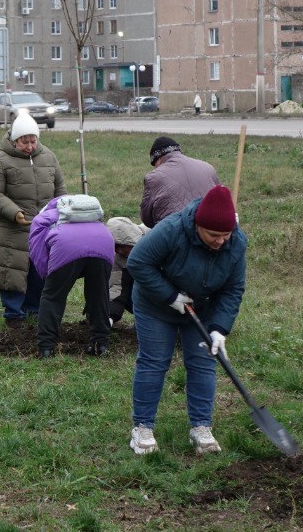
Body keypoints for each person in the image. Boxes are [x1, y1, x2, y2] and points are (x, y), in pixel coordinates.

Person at [127, 185, 246, 455]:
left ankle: (201, 427)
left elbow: (233, 288)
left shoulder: (236, 243)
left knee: (203, 362)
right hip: (156, 304)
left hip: (202, 307)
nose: (220, 241)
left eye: (225, 235)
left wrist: (219, 329)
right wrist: (171, 296)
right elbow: (137, 262)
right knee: (155, 361)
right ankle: (142, 428)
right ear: (198, 226)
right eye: (213, 235)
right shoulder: (172, 230)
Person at [0, 110, 66, 327]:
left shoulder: (48, 156)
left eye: (33, 140)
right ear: (14, 139)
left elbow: (60, 189)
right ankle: (13, 314)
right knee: (11, 268)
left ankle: (34, 309)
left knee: (39, 269)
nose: (29, 146)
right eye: (24, 141)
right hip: (10, 227)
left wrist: (61, 211)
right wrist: (14, 212)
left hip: (42, 226)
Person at [29, 195, 115, 356]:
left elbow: (38, 253)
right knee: (99, 295)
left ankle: (46, 348)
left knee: (52, 297)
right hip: (104, 241)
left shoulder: (44, 217)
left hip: (66, 245)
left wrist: (48, 278)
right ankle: (101, 344)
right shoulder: (89, 213)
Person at [140, 136, 220, 228]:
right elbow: (222, 200)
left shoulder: (154, 177)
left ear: (158, 158)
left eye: (154, 164)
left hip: (175, 234)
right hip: (211, 229)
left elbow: (147, 219)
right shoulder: (208, 167)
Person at [105, 217, 148, 325]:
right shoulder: (117, 258)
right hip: (143, 295)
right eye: (116, 247)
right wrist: (110, 316)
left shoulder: (154, 236)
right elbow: (116, 287)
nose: (120, 251)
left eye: (122, 246)